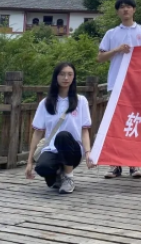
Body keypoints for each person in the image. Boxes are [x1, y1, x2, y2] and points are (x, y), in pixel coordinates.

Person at [98, 0, 141, 179]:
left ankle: (134, 163)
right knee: (115, 124)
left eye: (128, 7)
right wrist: (116, 50)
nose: (125, 10)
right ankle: (114, 165)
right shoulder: (111, 33)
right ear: (118, 11)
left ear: (134, 10)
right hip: (116, 84)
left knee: (135, 123)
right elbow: (100, 57)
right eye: (122, 7)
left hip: (138, 85)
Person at [26, 62, 94, 195]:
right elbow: (37, 132)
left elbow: (84, 130)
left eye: (70, 74)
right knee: (42, 167)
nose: (66, 78)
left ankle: (68, 178)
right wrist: (29, 162)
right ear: (56, 76)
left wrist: (88, 152)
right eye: (62, 74)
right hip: (52, 148)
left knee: (63, 135)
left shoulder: (81, 101)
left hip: (73, 150)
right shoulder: (46, 103)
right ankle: (58, 175)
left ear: (74, 77)